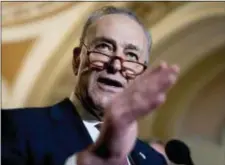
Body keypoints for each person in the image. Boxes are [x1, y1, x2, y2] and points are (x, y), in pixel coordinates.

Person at [2, 6, 179, 165]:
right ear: (77, 59)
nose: (116, 65)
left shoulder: (153, 159)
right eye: (104, 47)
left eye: (132, 56)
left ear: (141, 74)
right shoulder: (16, 127)